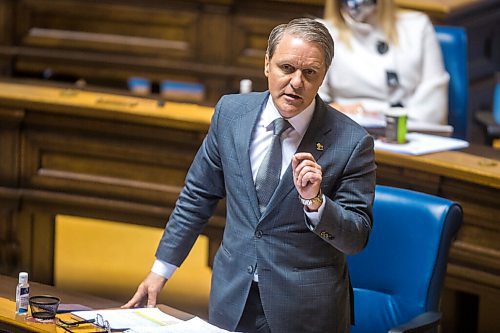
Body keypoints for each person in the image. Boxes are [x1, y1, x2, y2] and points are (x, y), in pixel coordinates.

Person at [124, 17, 376, 333]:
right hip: (233, 297)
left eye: (309, 72)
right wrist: (160, 270)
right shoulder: (231, 114)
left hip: (305, 311)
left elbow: (356, 237)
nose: (296, 82)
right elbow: (197, 196)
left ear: (323, 76)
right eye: (287, 68)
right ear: (267, 65)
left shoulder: (352, 142)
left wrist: (316, 203)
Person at [318, 0, 450, 125]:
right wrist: (338, 111)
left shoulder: (417, 26)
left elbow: (434, 95)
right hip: (348, 127)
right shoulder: (323, 32)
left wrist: (398, 126)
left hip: (411, 132)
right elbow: (313, 97)